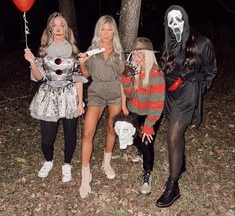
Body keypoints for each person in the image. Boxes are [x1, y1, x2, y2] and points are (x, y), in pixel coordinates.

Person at [155, 5, 217, 207]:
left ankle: (173, 187)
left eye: (178, 19)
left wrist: (200, 86)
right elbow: (165, 71)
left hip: (188, 94)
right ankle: (179, 165)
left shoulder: (202, 42)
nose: (175, 24)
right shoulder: (168, 43)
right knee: (177, 133)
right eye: (170, 21)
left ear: (186, 19)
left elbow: (211, 69)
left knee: (172, 136)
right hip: (171, 95)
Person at [24, 12, 86, 183]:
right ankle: (48, 161)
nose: (58, 28)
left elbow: (78, 78)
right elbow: (38, 77)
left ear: (66, 29)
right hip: (48, 96)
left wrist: (80, 102)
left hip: (69, 95)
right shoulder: (43, 51)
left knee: (70, 134)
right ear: (50, 29)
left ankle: (67, 165)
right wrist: (31, 62)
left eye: (62, 25)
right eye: (55, 25)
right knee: (46, 139)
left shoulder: (73, 51)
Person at [78, 15, 125, 198]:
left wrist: (125, 103)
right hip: (96, 93)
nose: (106, 33)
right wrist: (82, 63)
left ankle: (107, 163)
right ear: (99, 30)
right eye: (103, 29)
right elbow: (87, 74)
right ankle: (85, 175)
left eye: (109, 29)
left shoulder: (119, 53)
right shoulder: (92, 50)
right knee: (87, 132)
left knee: (112, 129)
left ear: (114, 31)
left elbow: (123, 79)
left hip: (114, 94)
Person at [121, 37, 165, 195]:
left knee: (147, 141)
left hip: (152, 112)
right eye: (136, 53)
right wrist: (126, 77)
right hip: (135, 109)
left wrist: (149, 124)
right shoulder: (133, 69)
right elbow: (129, 93)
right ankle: (141, 152)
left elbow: (157, 102)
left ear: (149, 55)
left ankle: (147, 174)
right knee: (127, 136)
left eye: (142, 53)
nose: (139, 57)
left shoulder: (155, 72)